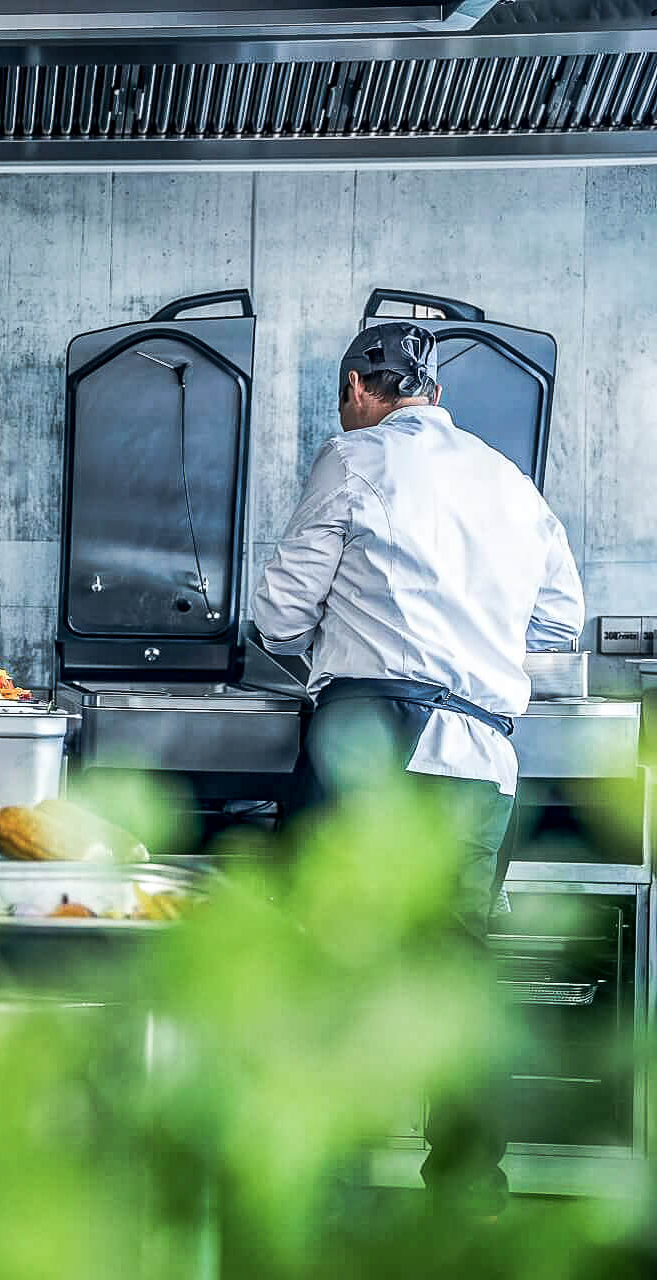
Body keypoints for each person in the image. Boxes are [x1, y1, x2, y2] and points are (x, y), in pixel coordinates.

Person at [250, 320, 584, 1212]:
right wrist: (470, 640)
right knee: (457, 977)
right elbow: (559, 623)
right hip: (480, 752)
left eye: (345, 399)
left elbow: (278, 615)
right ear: (430, 392)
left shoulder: (353, 459)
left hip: (372, 741)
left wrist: (351, 639)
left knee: (320, 956)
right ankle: (470, 1194)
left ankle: (312, 1188)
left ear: (362, 388)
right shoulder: (511, 482)